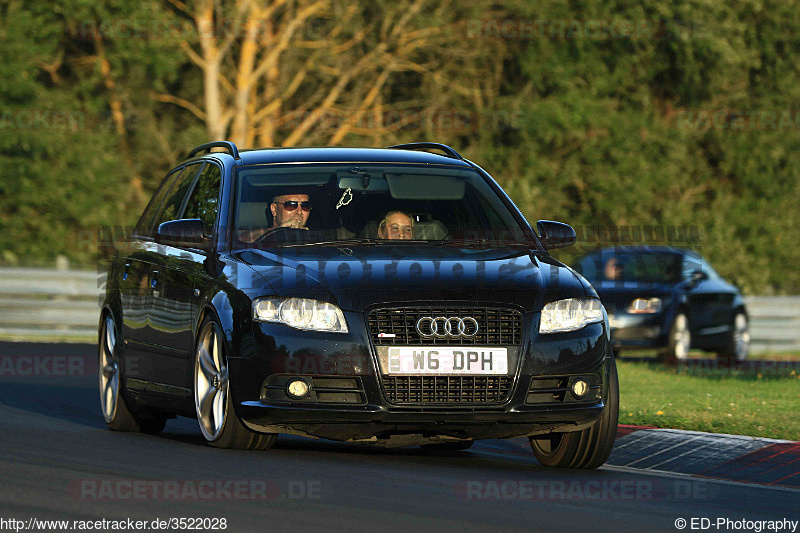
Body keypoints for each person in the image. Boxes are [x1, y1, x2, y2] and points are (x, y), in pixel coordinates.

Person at [237, 193, 312, 243]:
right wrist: (278, 231)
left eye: (305, 206)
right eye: (291, 205)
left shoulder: (316, 241)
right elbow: (240, 238)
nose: (299, 212)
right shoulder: (254, 237)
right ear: (274, 209)